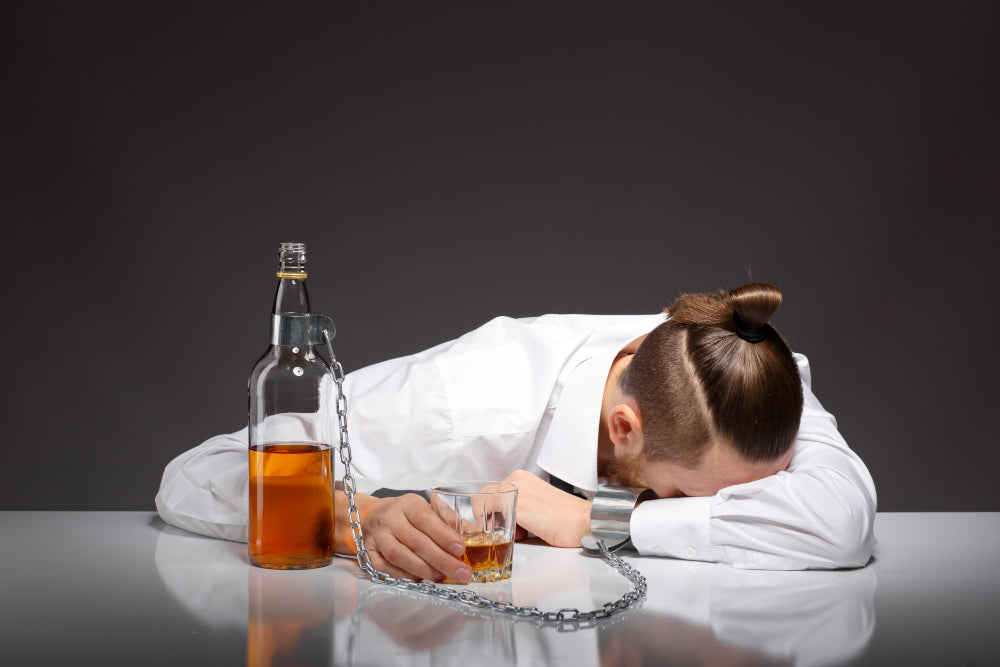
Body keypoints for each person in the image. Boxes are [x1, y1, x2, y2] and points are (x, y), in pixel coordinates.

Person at [156, 283, 876, 584]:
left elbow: (839, 524)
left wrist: (595, 517)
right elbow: (195, 474)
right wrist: (358, 516)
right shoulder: (468, 403)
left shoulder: (747, 376)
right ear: (625, 428)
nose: (761, 501)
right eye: (679, 495)